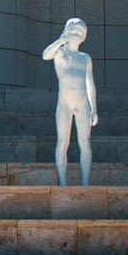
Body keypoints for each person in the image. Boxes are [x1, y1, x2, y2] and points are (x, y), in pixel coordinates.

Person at [42, 17, 100, 188]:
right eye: (72, 31)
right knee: (62, 141)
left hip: (83, 104)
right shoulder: (60, 53)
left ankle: (85, 182)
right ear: (66, 32)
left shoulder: (85, 58)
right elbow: (45, 55)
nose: (75, 34)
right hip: (65, 103)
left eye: (79, 32)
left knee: (85, 142)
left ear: (83, 36)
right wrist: (60, 41)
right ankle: (63, 181)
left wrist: (94, 109)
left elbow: (90, 83)